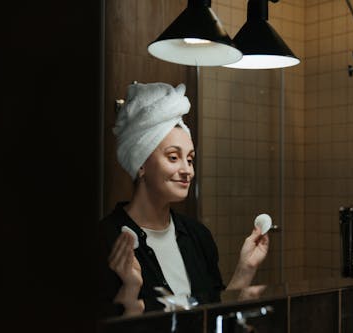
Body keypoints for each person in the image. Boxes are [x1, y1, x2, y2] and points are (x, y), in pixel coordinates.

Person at [99, 82, 269, 317]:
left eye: (189, 159)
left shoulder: (198, 237)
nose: (186, 170)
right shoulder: (106, 240)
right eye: (173, 157)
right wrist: (130, 289)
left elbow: (214, 317)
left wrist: (245, 270)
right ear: (141, 164)